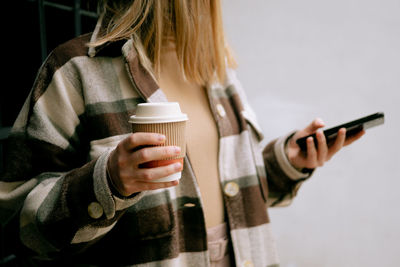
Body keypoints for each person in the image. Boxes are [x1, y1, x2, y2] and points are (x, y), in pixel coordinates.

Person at [0, 0, 365, 266]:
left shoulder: (217, 72)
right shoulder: (76, 71)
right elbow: (17, 226)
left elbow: (229, 194)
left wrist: (287, 162)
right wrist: (108, 182)